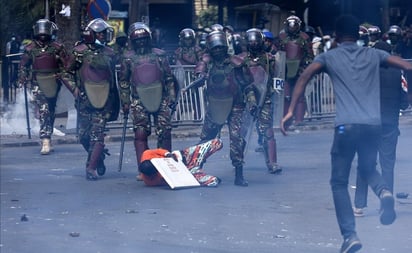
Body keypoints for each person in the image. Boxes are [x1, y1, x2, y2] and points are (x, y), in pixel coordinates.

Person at [280, 14, 412, 253]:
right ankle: (383, 192)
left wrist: (290, 111)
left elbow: (304, 77)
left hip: (346, 127)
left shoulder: (329, 57)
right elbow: (406, 65)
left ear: (338, 37)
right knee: (368, 168)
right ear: (359, 35)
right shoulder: (375, 54)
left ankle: (350, 236)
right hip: (373, 126)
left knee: (339, 182)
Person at [191, 30, 255, 186]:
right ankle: (195, 168)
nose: (218, 50)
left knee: (237, 139)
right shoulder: (207, 61)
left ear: (225, 47)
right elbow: (199, 70)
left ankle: (239, 174)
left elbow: (247, 84)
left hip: (235, 104)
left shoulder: (236, 63)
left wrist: (252, 100)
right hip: (215, 104)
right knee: (206, 138)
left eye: (220, 47)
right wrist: (199, 77)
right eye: (215, 48)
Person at [353, 41, 408, 217]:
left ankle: (359, 205)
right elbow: (404, 101)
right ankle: (386, 204)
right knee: (388, 165)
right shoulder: (398, 72)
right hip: (390, 125)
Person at [118, 22, 178, 173]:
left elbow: (169, 78)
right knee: (140, 133)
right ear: (133, 42)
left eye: (144, 39)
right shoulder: (128, 58)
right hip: (138, 99)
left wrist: (171, 96)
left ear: (149, 39)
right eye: (137, 40)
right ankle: (143, 167)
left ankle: (166, 166)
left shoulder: (159, 55)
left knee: (164, 131)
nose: (141, 42)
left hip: (161, 97)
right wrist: (125, 101)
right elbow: (124, 81)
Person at [64, 18, 119, 180]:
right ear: (91, 34)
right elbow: (66, 73)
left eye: (104, 34)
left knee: (98, 134)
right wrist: (74, 89)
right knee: (83, 136)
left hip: (104, 99)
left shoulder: (110, 53)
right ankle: (98, 155)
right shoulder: (79, 52)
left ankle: (91, 167)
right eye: (100, 33)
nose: (103, 36)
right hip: (84, 99)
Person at [18, 19, 69, 155]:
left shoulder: (57, 47)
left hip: (53, 82)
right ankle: (45, 139)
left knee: (51, 109)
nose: (42, 33)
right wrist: (22, 77)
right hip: (37, 82)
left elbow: (67, 65)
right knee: (44, 109)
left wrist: (61, 72)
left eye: (45, 29)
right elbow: (23, 65)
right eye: (40, 29)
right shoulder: (30, 48)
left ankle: (49, 135)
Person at [239, 28, 282, 174]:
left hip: (265, 99)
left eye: (256, 40)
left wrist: (277, 92)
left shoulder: (269, 59)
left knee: (268, 131)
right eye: (251, 40)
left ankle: (272, 163)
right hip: (246, 100)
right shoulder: (241, 60)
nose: (254, 43)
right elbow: (240, 80)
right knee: (242, 132)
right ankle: (238, 161)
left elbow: (277, 77)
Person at [138, 138, 223, 187]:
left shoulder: (146, 154)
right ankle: (197, 171)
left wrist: (167, 154)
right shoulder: (151, 182)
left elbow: (160, 151)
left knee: (217, 143)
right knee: (213, 181)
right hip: (185, 172)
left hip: (184, 157)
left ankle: (197, 162)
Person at [279, 15, 314, 128]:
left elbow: (309, 54)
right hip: (284, 70)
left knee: (299, 96)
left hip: (299, 70)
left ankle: (299, 120)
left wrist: (306, 66)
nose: (292, 27)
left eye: (294, 24)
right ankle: (286, 120)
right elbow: (277, 52)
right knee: (286, 96)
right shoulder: (282, 37)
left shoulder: (304, 38)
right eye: (290, 24)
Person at [174, 28, 204, 120]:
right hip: (183, 76)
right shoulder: (179, 50)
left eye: (189, 39)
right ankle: (176, 117)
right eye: (186, 39)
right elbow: (176, 63)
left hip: (193, 76)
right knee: (181, 97)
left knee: (196, 98)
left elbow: (200, 62)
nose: (188, 41)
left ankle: (198, 117)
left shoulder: (197, 49)